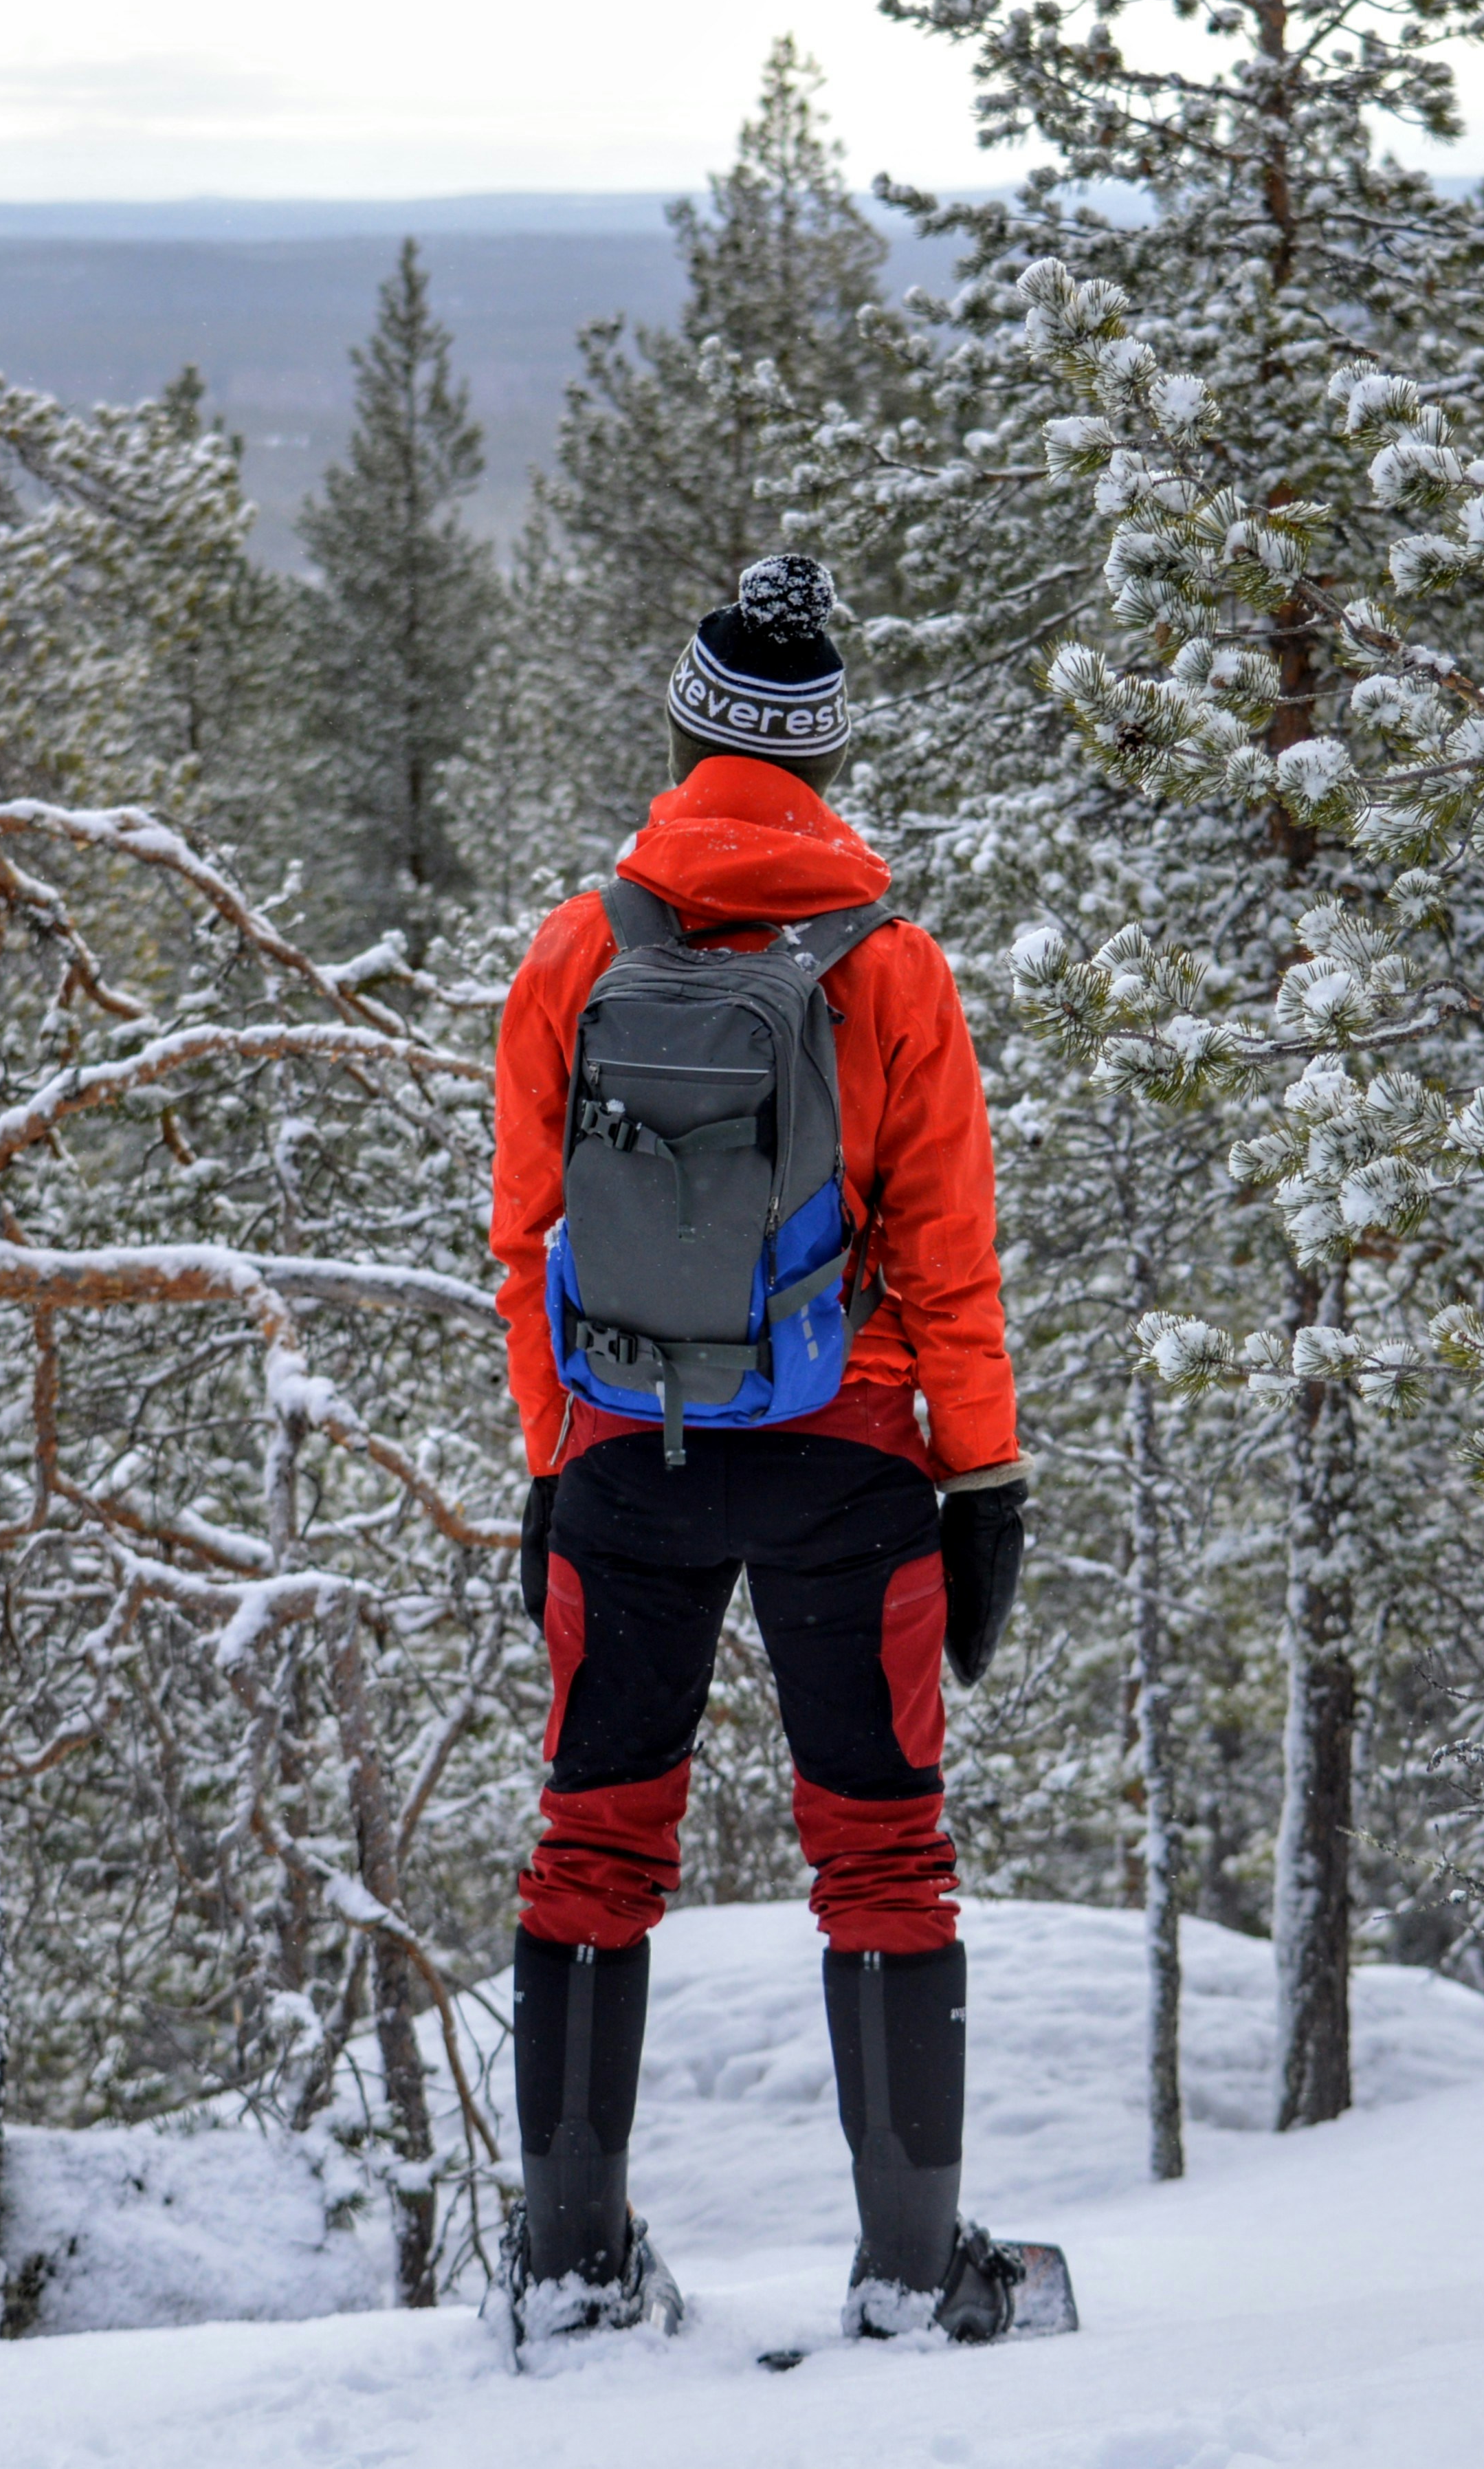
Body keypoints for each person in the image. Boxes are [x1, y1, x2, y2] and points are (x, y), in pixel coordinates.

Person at [488, 555, 1032, 2346]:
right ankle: (907, 2267)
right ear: (823, 764)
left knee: (591, 1841)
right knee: (883, 1853)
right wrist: (987, 1484)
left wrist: (551, 1458)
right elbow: (949, 1262)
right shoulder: (892, 970)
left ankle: (567, 2270)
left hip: (625, 1452)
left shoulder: (580, 947)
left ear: (687, 737)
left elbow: (527, 1238)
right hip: (847, 1456)